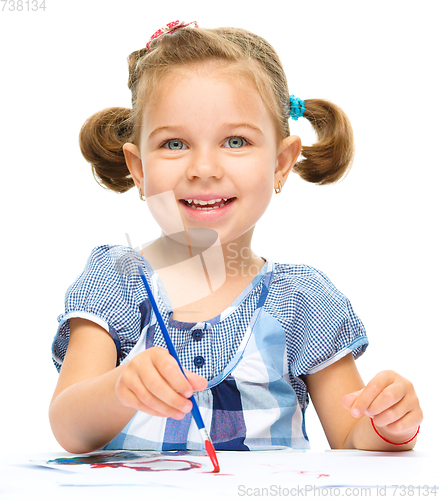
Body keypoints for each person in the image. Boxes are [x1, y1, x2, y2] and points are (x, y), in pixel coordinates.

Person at [49, 21, 422, 454]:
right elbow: (68, 427)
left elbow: (352, 439)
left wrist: (388, 425)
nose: (203, 167)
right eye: (173, 144)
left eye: (235, 140)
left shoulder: (303, 300)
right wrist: (119, 388)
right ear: (138, 169)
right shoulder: (116, 280)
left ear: (281, 163)